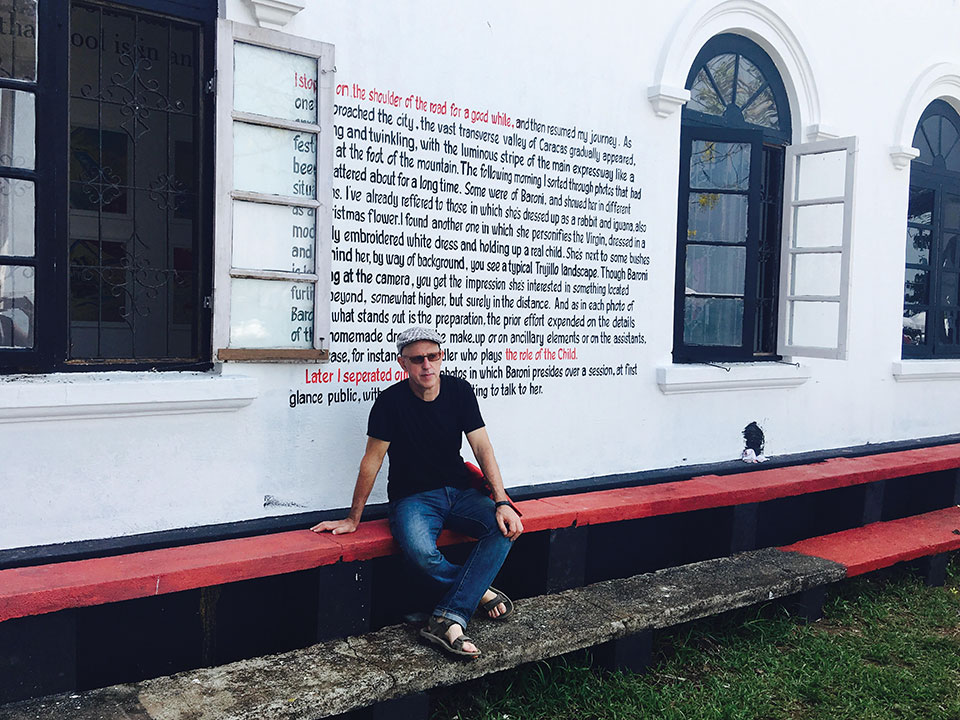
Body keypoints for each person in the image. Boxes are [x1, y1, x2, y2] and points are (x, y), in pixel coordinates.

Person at [311, 327, 523, 659]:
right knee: (422, 554)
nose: (426, 365)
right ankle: (474, 595)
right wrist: (354, 518)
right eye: (417, 359)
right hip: (413, 499)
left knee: (503, 527)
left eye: (433, 356)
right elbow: (372, 461)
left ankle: (448, 618)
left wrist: (501, 500)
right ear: (403, 364)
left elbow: (482, 447)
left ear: (442, 358)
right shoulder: (390, 403)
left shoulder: (460, 391)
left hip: (460, 492)